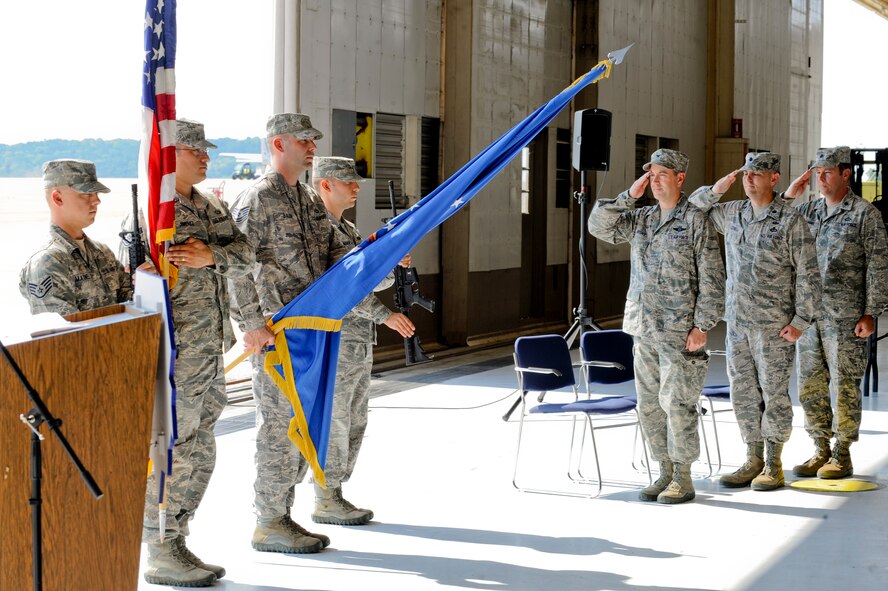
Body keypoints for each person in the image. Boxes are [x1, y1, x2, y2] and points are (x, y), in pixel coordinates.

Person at [229, 113, 385, 554]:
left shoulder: (308, 201)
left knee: (303, 422)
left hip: (316, 331)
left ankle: (288, 513)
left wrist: (380, 253)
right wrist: (252, 325)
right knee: (279, 427)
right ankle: (270, 520)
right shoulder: (256, 199)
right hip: (280, 334)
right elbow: (239, 268)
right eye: (304, 139)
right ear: (279, 145)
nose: (313, 145)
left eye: (314, 139)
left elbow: (339, 257)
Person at [140, 119, 255, 587]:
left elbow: (248, 253)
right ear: (169, 154)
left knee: (201, 444)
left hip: (210, 346)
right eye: (195, 151)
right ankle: (159, 546)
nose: (205, 157)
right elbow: (138, 275)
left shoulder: (208, 205)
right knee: (171, 445)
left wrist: (213, 257)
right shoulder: (154, 208)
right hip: (177, 348)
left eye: (206, 151)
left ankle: (179, 538)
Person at [587, 148, 725, 504]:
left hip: (680, 330)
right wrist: (628, 197)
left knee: (677, 402)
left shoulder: (696, 220)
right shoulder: (642, 218)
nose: (655, 180)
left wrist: (702, 324)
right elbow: (598, 226)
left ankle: (683, 475)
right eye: (651, 174)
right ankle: (663, 470)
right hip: (643, 326)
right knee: (649, 404)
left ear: (680, 178)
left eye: (663, 174)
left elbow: (713, 277)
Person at [688, 153, 820, 491]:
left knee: (773, 393)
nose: (749, 180)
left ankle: (773, 462)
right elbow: (693, 209)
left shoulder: (791, 221)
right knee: (743, 393)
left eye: (757, 175)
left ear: (773, 179)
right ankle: (752, 458)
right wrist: (717, 189)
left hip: (774, 326)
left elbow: (808, 275)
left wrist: (801, 320)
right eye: (746, 174)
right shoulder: (733, 213)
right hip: (737, 324)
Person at [310, 156, 414, 525]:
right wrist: (385, 315)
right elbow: (339, 289)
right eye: (347, 182)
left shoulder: (349, 231)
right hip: (334, 340)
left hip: (356, 342)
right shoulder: (316, 229)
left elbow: (370, 281)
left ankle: (335, 491)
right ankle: (326, 496)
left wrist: (389, 263)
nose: (356, 188)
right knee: (335, 420)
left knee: (355, 419)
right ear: (325, 184)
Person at [783, 146, 888, 479]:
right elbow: (775, 222)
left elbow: (878, 266)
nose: (821, 178)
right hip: (809, 318)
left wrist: (872, 312)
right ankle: (820, 449)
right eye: (817, 172)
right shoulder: (809, 211)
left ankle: (842, 453)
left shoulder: (864, 214)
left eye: (827, 172)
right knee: (810, 387)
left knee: (843, 385)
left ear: (845, 174)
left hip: (846, 318)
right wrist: (788, 195)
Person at [19, 159, 152, 313]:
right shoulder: (47, 262)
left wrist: (146, 287)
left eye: (96, 193)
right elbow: (60, 333)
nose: (97, 200)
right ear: (58, 198)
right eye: (87, 194)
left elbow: (131, 308)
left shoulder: (103, 253)